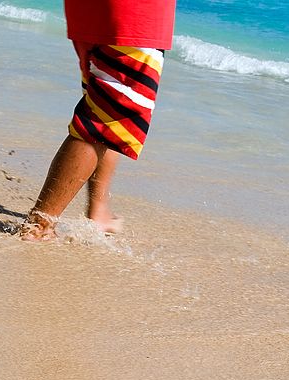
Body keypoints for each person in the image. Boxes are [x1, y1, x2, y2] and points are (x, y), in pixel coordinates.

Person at [21, 0, 177, 240]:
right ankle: (39, 226)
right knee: (105, 121)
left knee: (103, 107)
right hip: (136, 16)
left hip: (90, 11)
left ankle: (99, 210)